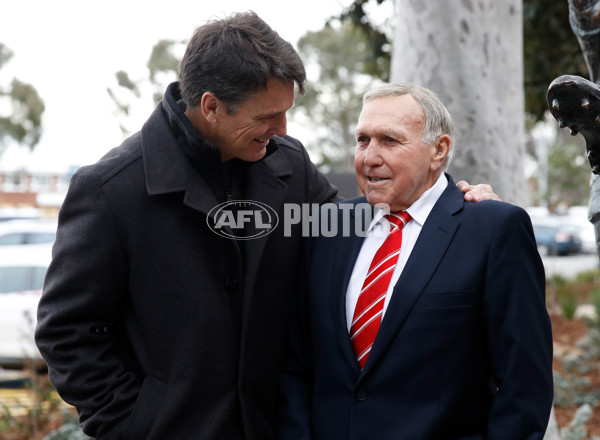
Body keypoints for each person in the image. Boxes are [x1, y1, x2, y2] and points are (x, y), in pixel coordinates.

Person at [35, 12, 497, 440]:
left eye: (286, 111)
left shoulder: (288, 165)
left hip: (275, 428)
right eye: (267, 116)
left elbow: (354, 228)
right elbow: (67, 332)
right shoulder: (110, 191)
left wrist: (445, 205)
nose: (282, 128)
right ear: (212, 107)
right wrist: (135, 425)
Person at [277, 83, 554, 440]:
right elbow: (296, 364)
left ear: (439, 150)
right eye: (363, 140)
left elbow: (524, 382)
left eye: (389, 140)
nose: (369, 157)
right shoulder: (329, 226)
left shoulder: (494, 229)